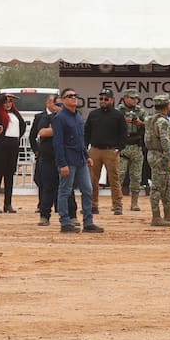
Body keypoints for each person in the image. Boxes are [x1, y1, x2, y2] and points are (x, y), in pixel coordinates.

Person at [53, 88, 104, 234]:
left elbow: (81, 139)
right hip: (68, 160)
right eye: (70, 96)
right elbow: (58, 143)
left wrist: (86, 156)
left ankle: (88, 222)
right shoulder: (60, 118)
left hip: (80, 160)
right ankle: (65, 222)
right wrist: (62, 163)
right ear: (62, 100)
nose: (74, 98)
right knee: (65, 191)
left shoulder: (78, 116)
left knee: (88, 190)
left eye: (75, 95)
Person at [85, 88, 127, 215]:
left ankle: (117, 205)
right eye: (101, 98)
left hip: (111, 151)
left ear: (112, 100)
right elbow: (86, 132)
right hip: (95, 150)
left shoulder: (118, 115)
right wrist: (85, 148)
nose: (103, 101)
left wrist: (118, 148)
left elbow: (123, 134)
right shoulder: (93, 114)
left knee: (114, 179)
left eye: (106, 99)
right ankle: (93, 205)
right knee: (92, 179)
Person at [144, 94, 170, 226]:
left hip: (155, 155)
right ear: (167, 106)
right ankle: (156, 217)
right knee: (158, 187)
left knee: (167, 186)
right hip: (161, 156)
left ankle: (168, 214)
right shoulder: (163, 122)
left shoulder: (151, 119)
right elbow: (165, 142)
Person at [0, 92, 26, 214]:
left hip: (13, 144)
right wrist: (3, 97)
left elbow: (22, 127)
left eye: (10, 102)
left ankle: (7, 204)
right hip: (1, 145)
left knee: (10, 175)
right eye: (5, 102)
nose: (8, 104)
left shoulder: (15, 114)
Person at [29, 93, 60, 226]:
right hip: (46, 156)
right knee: (46, 185)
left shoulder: (72, 118)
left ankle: (67, 213)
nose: (57, 106)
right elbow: (38, 133)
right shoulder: (43, 118)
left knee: (66, 188)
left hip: (63, 157)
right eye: (55, 103)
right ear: (49, 103)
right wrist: (37, 150)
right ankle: (44, 213)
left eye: (60, 104)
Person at [118, 90, 147, 212]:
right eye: (132, 98)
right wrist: (122, 122)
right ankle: (117, 203)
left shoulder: (141, 111)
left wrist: (139, 122)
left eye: (136, 98)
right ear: (125, 98)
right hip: (122, 146)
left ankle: (134, 203)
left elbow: (149, 124)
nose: (135, 100)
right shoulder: (118, 111)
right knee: (119, 175)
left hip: (136, 145)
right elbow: (110, 125)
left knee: (136, 176)